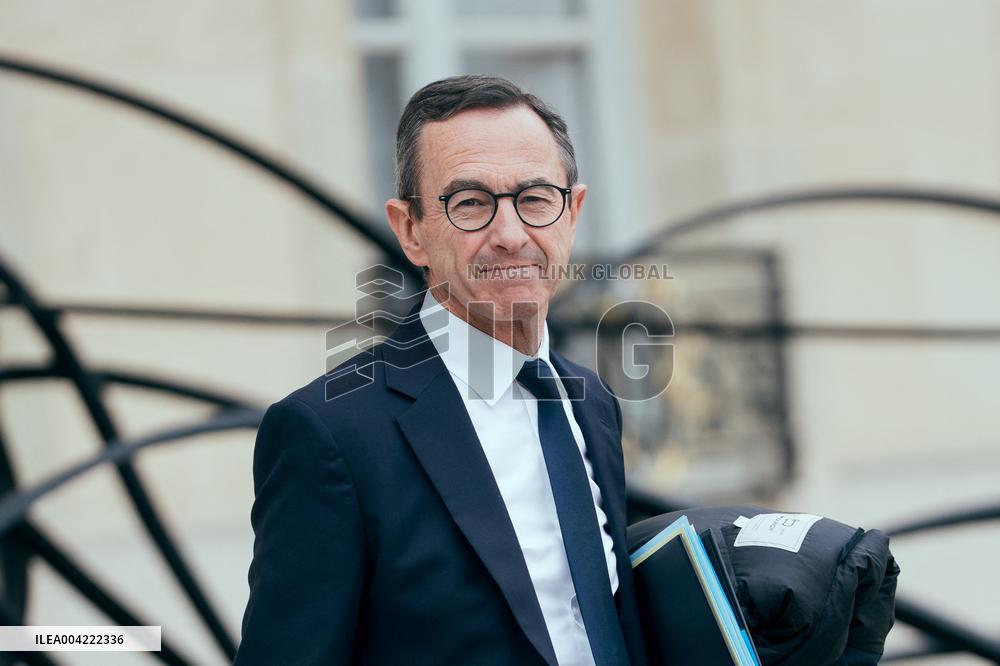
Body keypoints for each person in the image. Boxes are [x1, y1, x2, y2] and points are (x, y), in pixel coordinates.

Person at [234, 74, 647, 666]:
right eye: (471, 203)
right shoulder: (329, 434)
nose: (510, 235)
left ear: (573, 212)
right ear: (411, 231)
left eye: (534, 198)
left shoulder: (593, 404)